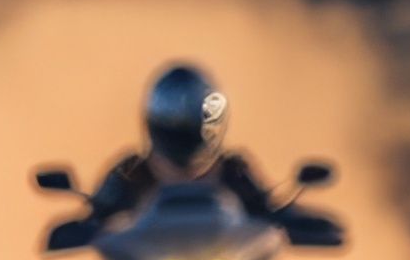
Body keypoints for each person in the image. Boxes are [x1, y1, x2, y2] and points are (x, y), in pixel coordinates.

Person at [81, 61, 282, 225]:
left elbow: (270, 213)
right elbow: (95, 216)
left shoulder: (234, 173)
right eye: (174, 132)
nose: (183, 144)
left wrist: (289, 219)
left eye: (191, 133)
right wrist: (87, 224)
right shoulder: (130, 174)